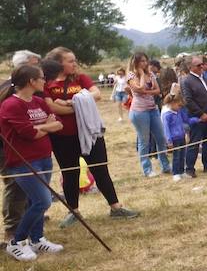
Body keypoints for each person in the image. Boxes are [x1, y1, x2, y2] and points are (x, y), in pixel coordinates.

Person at [43, 47, 139, 227]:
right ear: (58, 63)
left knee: (100, 170)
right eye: (70, 61)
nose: (74, 63)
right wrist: (79, 105)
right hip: (63, 137)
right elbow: (52, 108)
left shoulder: (80, 78)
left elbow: (96, 94)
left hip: (90, 134)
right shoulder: (47, 83)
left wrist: (73, 102)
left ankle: (116, 207)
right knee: (70, 173)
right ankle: (74, 212)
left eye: (74, 60)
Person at [0, 65, 66, 260]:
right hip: (23, 161)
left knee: (33, 201)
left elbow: (58, 124)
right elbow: (29, 134)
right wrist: (47, 126)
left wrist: (42, 127)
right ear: (31, 81)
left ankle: (37, 239)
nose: (45, 81)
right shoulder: (11, 105)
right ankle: (16, 242)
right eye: (42, 78)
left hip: (45, 157)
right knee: (42, 201)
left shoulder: (38, 101)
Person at [2, 50, 41, 244]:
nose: (38, 67)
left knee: (27, 185)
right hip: (6, 147)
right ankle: (12, 230)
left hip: (25, 146)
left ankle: (29, 221)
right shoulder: (6, 89)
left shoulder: (24, 91)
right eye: (35, 64)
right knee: (15, 186)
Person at [127, 52, 171, 177]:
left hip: (153, 109)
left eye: (146, 60)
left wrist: (146, 91)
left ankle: (165, 165)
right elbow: (139, 88)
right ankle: (147, 169)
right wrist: (141, 74)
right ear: (135, 63)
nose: (145, 63)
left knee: (161, 138)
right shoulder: (131, 76)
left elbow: (158, 90)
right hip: (139, 112)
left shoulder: (150, 74)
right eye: (141, 61)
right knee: (144, 140)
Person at [180, 55, 207, 177]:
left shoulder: (204, 78)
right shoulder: (187, 81)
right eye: (198, 65)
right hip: (198, 118)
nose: (202, 66)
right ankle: (190, 169)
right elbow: (188, 100)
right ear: (190, 67)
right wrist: (201, 114)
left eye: (202, 64)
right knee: (194, 143)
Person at [161, 93, 196, 182]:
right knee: (176, 156)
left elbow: (187, 120)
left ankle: (181, 171)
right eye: (178, 105)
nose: (180, 107)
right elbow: (166, 129)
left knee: (182, 155)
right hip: (174, 139)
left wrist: (198, 120)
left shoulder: (179, 112)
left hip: (182, 137)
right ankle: (175, 173)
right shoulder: (167, 115)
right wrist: (169, 140)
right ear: (171, 103)